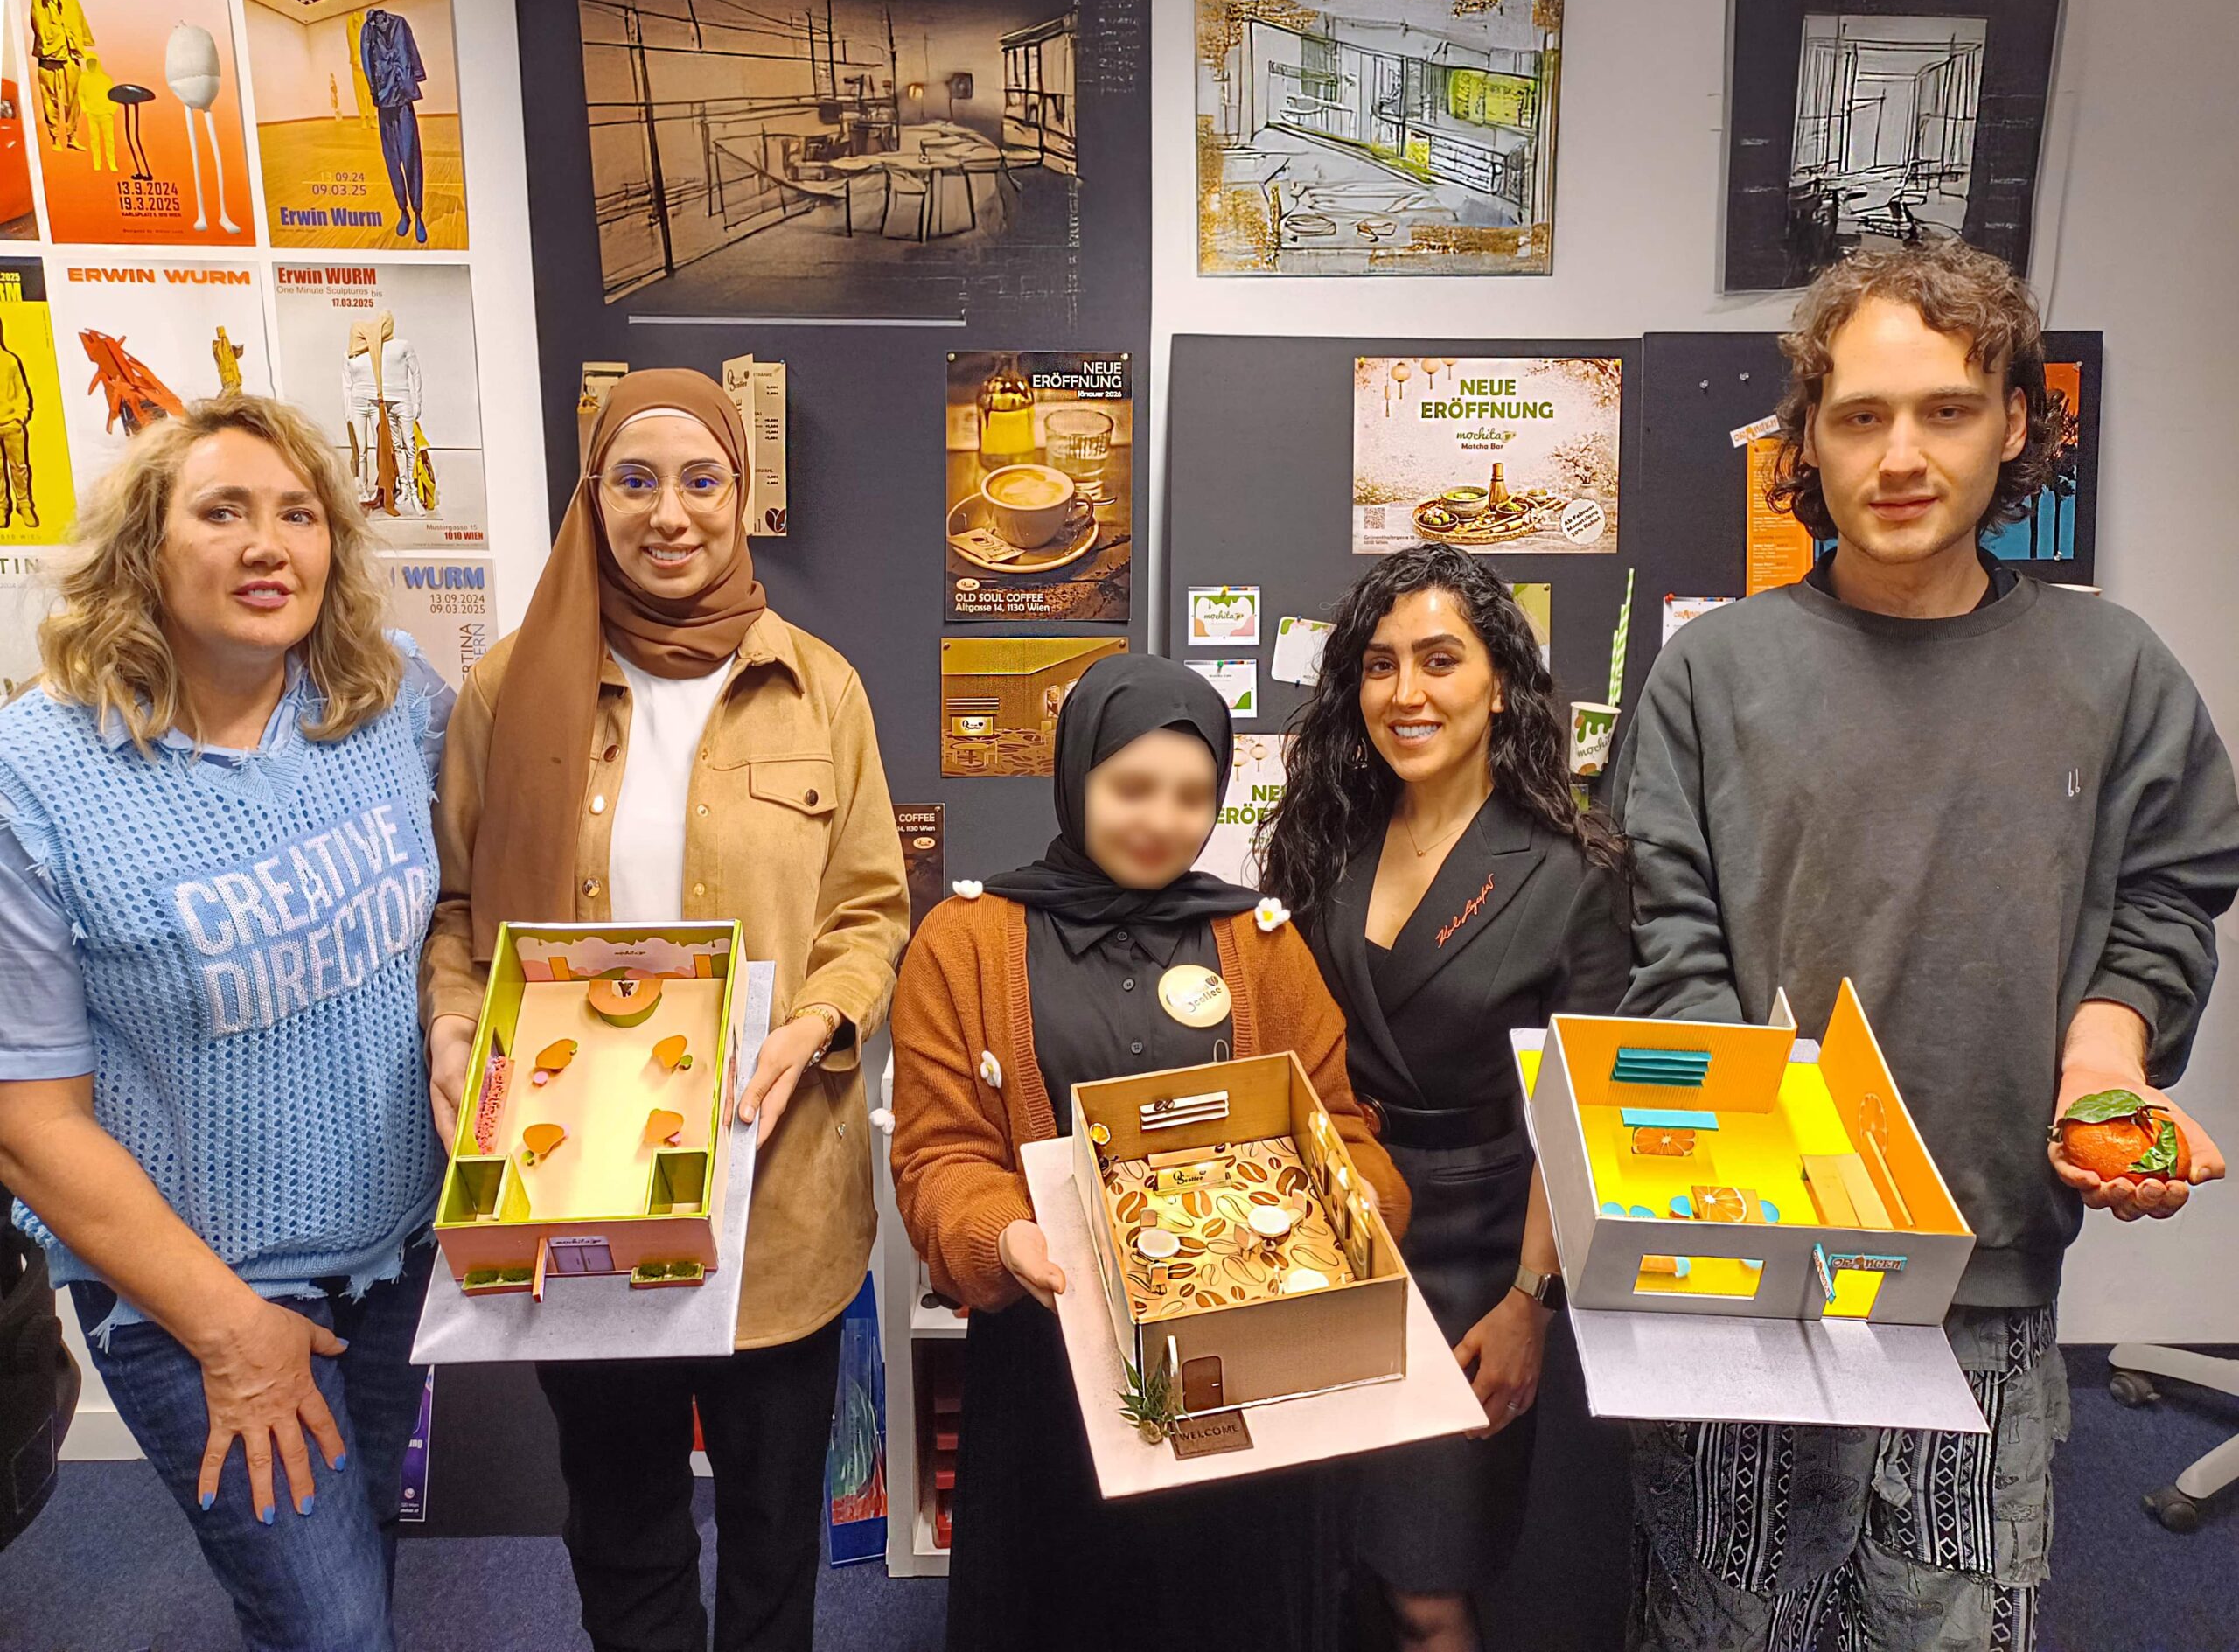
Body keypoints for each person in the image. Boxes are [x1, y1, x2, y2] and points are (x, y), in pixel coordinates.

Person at [1611, 238, 2239, 1651]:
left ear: (2017, 421)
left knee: (1950, 1625)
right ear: (1808, 444)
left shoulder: (2113, 672)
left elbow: (2167, 890)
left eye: (1947, 409)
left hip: (1984, 1285)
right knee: (1726, 1624)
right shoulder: (1716, 672)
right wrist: (1760, 1169)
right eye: (1860, 416)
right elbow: (1669, 932)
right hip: (1754, 1293)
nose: (1902, 454)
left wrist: (2107, 1054)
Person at [422, 367, 909, 1652]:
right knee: (622, 1514)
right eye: (634, 479)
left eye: (701, 478)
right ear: (594, 495)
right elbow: (460, 913)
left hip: (780, 1184)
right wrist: (455, 1028)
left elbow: (870, 910)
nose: (670, 511)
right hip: (579, 1180)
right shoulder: (508, 689)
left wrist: (820, 1021)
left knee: (769, 1524)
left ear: (741, 494)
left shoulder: (822, 689)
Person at [0, 394, 453, 1652]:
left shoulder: (389, 700)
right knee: (329, 1624)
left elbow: (457, 909)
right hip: (198, 1297)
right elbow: (30, 1124)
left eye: (298, 514)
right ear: (145, 545)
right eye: (224, 511)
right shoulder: (34, 776)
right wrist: (230, 1327)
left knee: (362, 1564)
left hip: (398, 1253)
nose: (270, 545)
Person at [888, 652, 1410, 1652]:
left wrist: (1351, 1213)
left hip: (1243, 1357)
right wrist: (1006, 1238)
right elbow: (938, 1154)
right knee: (1065, 1605)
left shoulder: (1259, 941)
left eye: (1190, 795)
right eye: (1130, 787)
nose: (1159, 820)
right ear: (1076, 774)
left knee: (1231, 1602)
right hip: (1054, 1362)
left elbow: (1338, 1124)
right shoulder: (964, 941)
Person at [1257, 545, 1630, 1652]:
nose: (1405, 693)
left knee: (1429, 1579)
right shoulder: (1324, 838)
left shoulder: (1574, 869)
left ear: (1501, 681)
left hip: (1482, 1247)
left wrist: (1529, 1298)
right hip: (1333, 1228)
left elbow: (1578, 1107)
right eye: (1379, 665)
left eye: (1438, 660)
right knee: (1334, 1558)